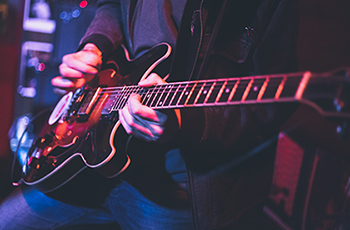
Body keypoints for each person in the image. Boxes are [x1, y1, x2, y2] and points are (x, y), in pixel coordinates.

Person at [0, 0, 299, 229]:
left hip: (177, 187)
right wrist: (94, 46)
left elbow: (269, 105)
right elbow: (113, 5)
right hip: (93, 153)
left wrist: (183, 123)